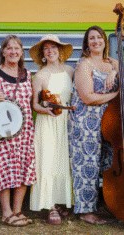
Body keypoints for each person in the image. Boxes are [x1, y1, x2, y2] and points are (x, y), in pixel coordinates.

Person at [68, 25, 124, 224]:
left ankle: (109, 204)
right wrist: (116, 94)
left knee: (108, 164)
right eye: (91, 38)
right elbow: (88, 97)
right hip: (84, 122)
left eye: (99, 37)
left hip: (107, 122)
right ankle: (85, 211)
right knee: (86, 165)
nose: (96, 41)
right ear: (86, 43)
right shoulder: (84, 64)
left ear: (105, 41)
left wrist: (116, 74)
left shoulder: (111, 62)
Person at [0, 35, 36, 226]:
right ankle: (6, 213)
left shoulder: (27, 75)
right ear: (3, 52)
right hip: (4, 131)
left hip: (25, 130)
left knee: (22, 170)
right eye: (9, 48)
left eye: (17, 48)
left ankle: (18, 212)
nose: (13, 52)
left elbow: (33, 102)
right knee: (4, 170)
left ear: (21, 52)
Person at [29, 34, 74, 225]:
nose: (50, 51)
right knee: (47, 161)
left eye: (53, 47)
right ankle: (50, 206)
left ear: (59, 50)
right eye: (46, 49)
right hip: (47, 122)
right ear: (43, 55)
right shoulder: (39, 75)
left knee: (63, 160)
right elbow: (35, 105)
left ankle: (62, 200)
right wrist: (45, 110)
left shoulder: (70, 71)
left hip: (66, 122)